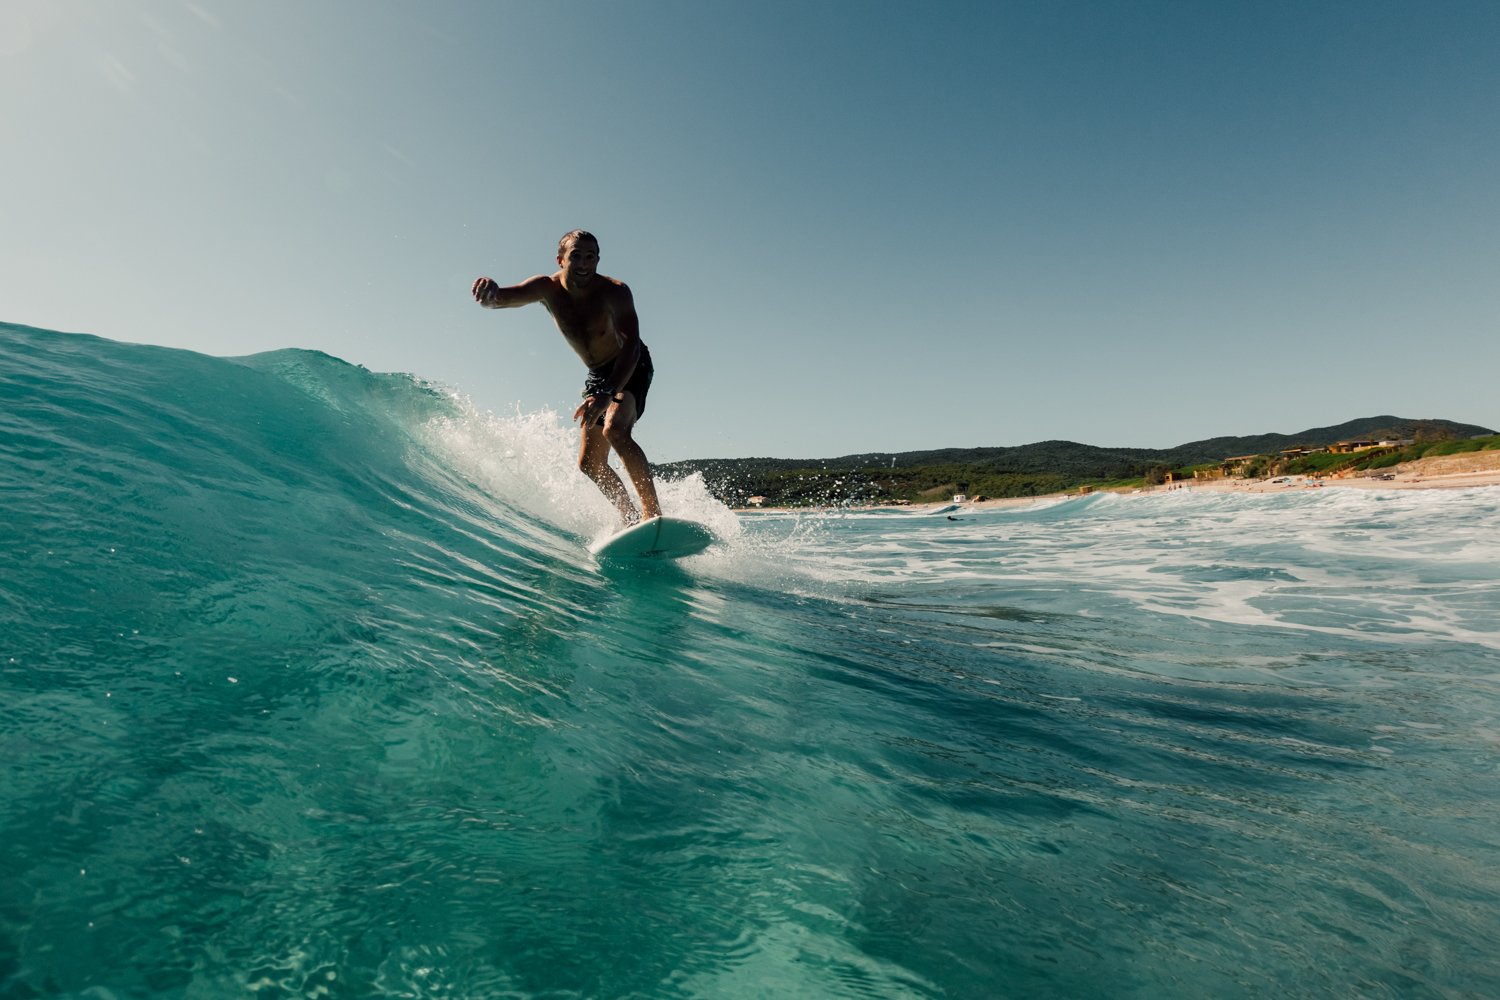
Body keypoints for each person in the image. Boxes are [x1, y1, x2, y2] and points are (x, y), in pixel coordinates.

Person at [471, 230, 661, 526]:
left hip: (630, 364)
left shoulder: (615, 291)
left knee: (616, 429)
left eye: (591, 256)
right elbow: (497, 301)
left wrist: (609, 391)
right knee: (590, 463)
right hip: (598, 375)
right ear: (560, 259)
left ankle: (653, 514)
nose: (584, 263)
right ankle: (631, 519)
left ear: (598, 259)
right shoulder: (546, 289)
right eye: (576, 256)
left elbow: (632, 345)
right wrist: (489, 293)